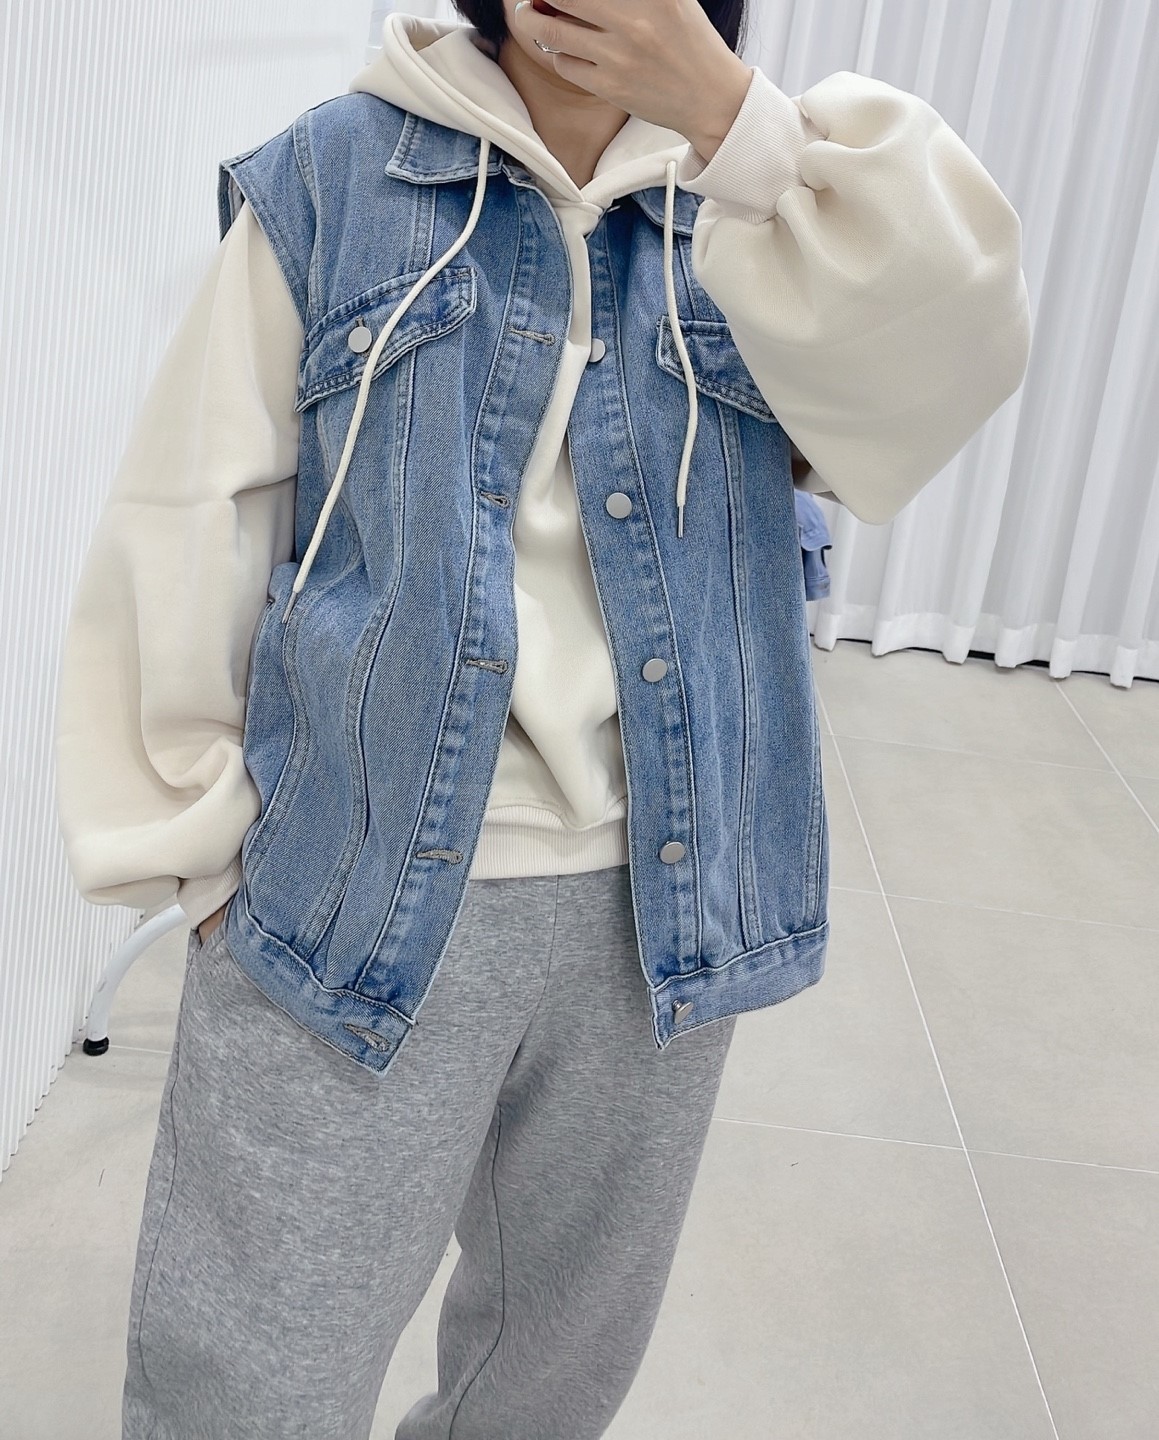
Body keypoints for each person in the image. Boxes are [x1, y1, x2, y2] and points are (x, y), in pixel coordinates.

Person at [53, 2, 1031, 1435]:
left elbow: (960, 354)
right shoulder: (339, 174)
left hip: (663, 906)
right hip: (353, 891)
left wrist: (735, 122)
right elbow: (193, 504)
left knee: (552, 1378)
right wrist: (195, 857)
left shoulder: (779, 207)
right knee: (254, 1380)